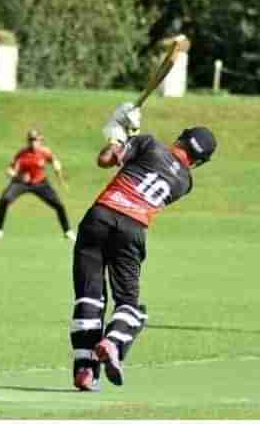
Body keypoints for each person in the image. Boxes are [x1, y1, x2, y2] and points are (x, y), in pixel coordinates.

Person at [69, 102, 217, 391]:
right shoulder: (185, 183)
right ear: (199, 161)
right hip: (133, 228)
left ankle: (85, 371)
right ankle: (113, 341)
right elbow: (156, 167)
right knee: (130, 306)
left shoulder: (149, 143)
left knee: (89, 299)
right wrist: (131, 135)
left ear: (180, 138)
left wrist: (118, 134)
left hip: (99, 216)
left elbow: (105, 159)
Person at [0, 129, 76, 241]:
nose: (33, 142)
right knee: (4, 199)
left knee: (59, 205)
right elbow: (10, 170)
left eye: (35, 139)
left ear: (40, 140)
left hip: (40, 182)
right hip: (21, 182)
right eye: (30, 140)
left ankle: (68, 231)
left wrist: (56, 166)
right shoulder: (22, 154)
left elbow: (53, 160)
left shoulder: (45, 152)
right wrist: (16, 175)